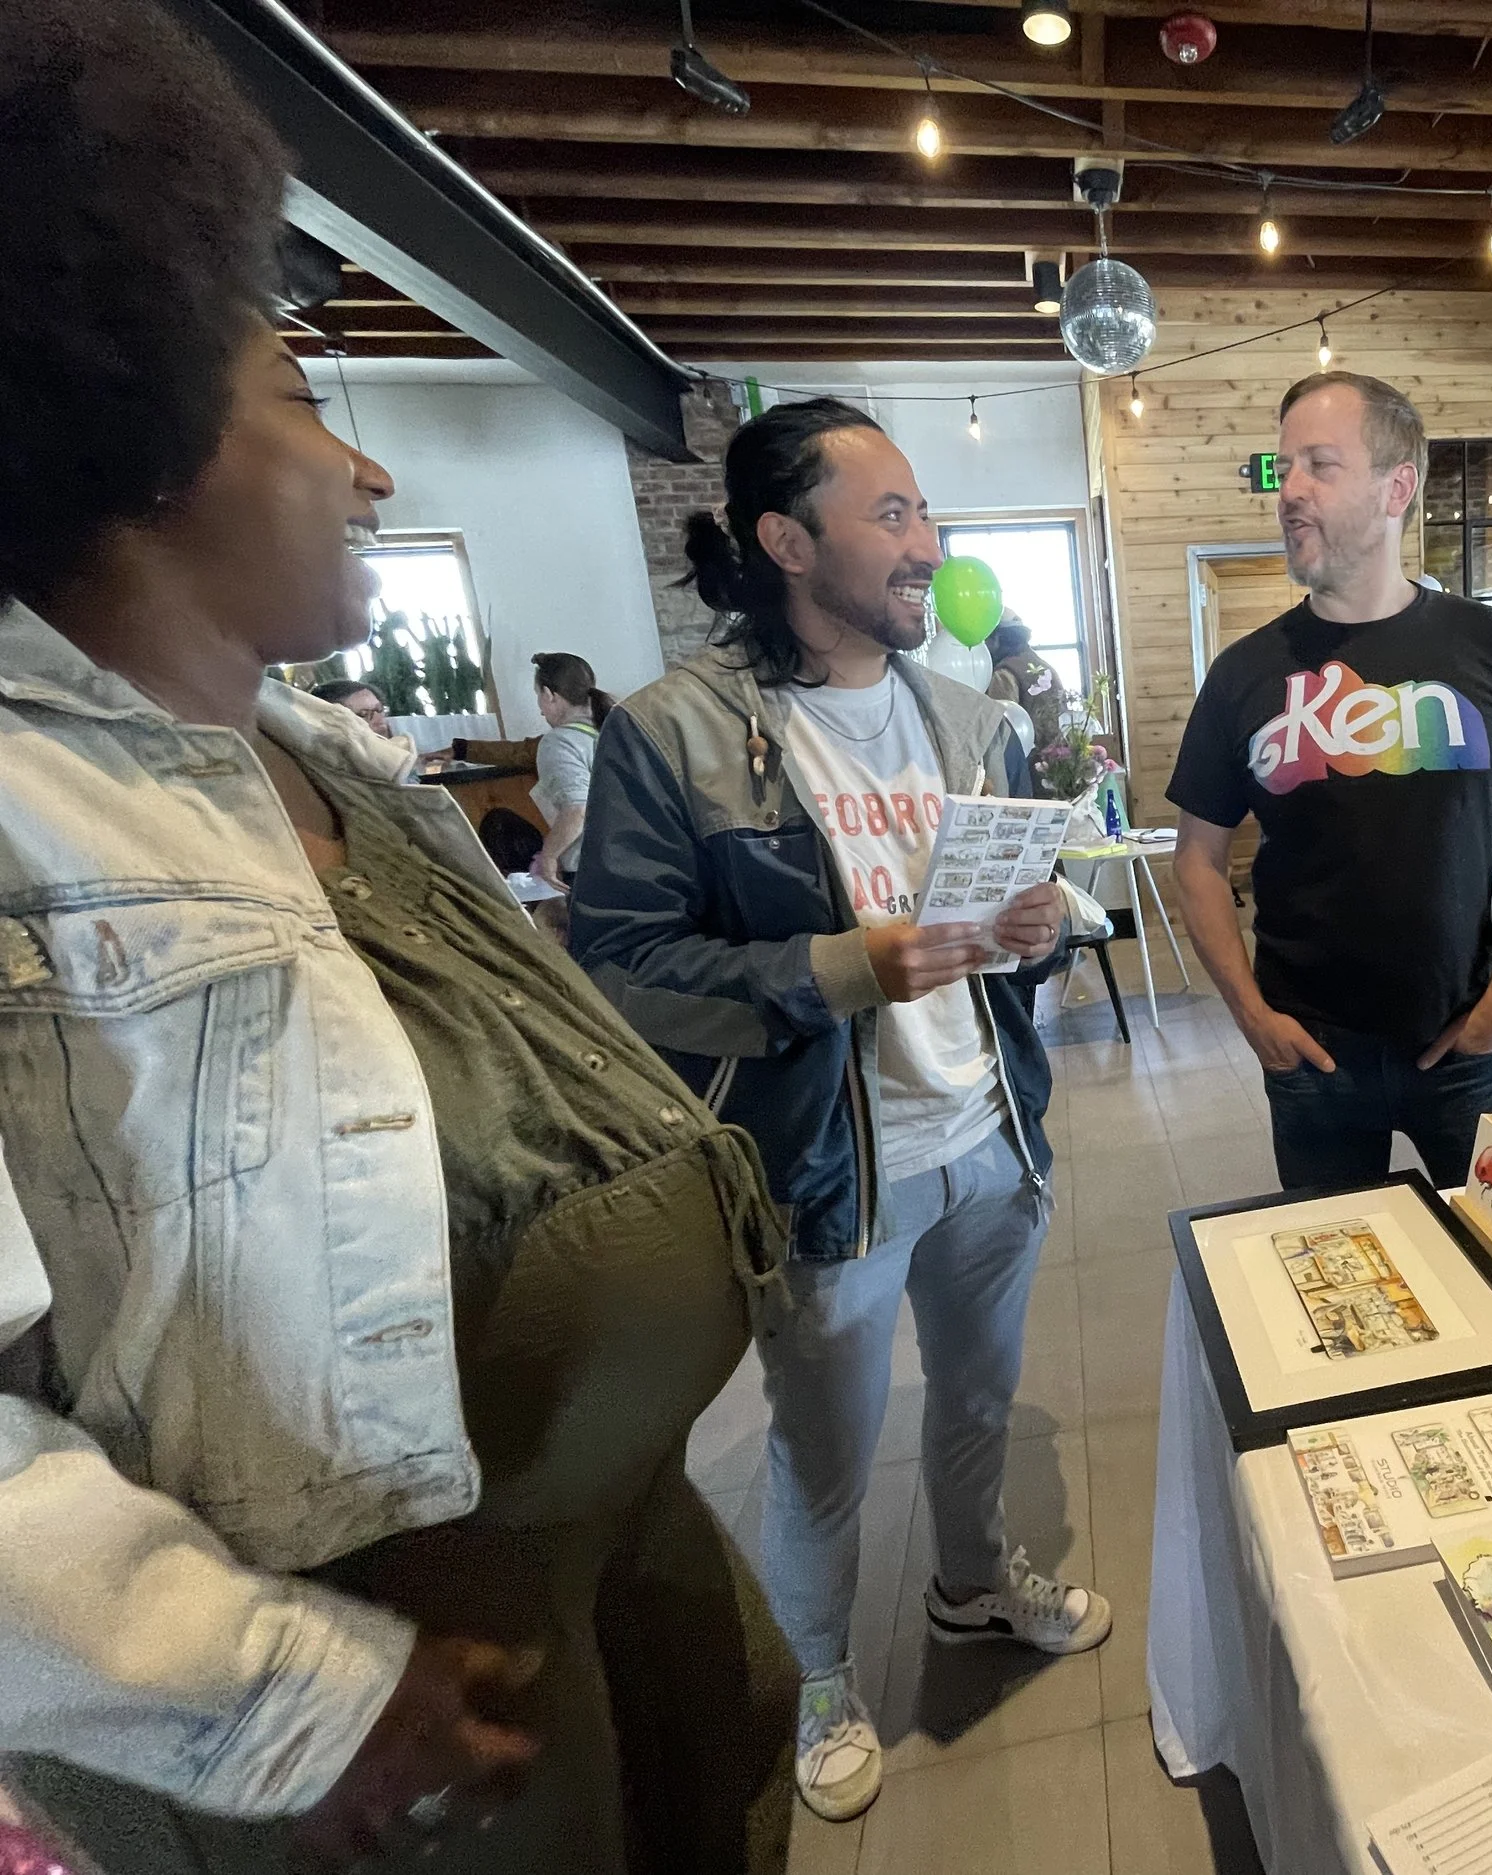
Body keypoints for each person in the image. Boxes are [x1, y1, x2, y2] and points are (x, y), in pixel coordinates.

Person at [0, 5, 797, 1870]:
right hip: (374, 1708)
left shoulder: (321, 754)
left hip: (588, 1586)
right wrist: (273, 1685)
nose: (363, 473)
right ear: (138, 426)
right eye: (299, 399)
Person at [567, 397, 1108, 1827]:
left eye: (925, 513)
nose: (927, 544)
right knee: (821, 1453)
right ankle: (813, 1670)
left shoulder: (959, 717)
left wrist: (1040, 925)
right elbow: (616, 969)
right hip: (826, 1173)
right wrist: (833, 968)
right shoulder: (672, 732)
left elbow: (1001, 922)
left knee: (981, 1400)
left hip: (987, 1133)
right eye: (893, 516)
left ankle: (973, 1579)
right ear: (786, 538)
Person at [1166, 372, 1492, 1190]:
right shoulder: (1244, 672)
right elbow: (1196, 858)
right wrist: (1252, 1017)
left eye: (1320, 464)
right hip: (1313, 1058)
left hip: (1464, 1042)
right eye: (1283, 468)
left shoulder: (1491, 644)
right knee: (1337, 1297)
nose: (1289, 491)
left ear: (1399, 488)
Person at [528, 650, 613, 886]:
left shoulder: (560, 741)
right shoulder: (615, 729)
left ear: (549, 694)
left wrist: (549, 856)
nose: (540, 709)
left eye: (538, 695)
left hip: (597, 872)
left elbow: (577, 808)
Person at [984, 616, 1060, 730]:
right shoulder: (1047, 668)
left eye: (986, 639)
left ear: (997, 639)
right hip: (1060, 746)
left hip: (1028, 747)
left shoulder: (1004, 674)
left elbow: (1002, 728)